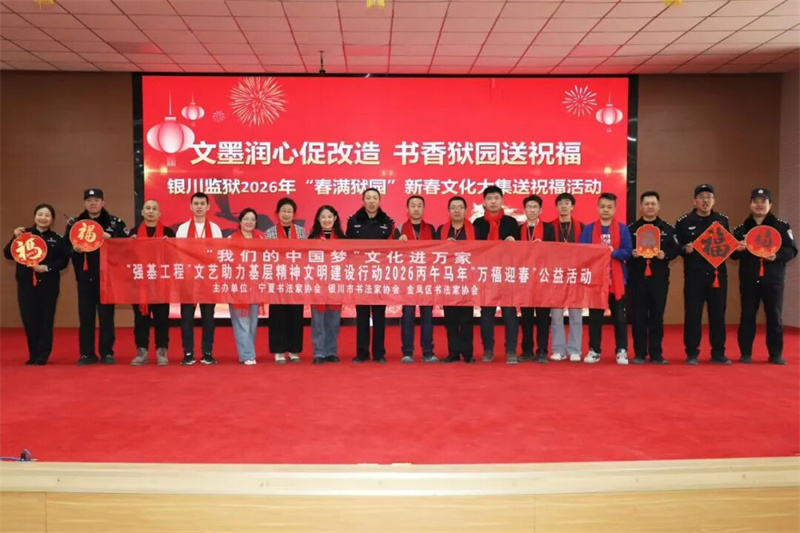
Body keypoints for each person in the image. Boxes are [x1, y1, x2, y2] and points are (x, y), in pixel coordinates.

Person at [732, 188, 797, 365]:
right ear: (750, 204)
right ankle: (745, 353)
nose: (759, 205)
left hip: (773, 279)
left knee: (774, 316)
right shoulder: (741, 229)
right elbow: (732, 255)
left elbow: (792, 250)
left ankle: (775, 354)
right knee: (747, 316)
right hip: (749, 280)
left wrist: (777, 256)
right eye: (756, 201)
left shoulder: (781, 227)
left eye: (763, 201)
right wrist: (738, 249)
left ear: (770, 205)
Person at [66, 189, 128, 365]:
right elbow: (64, 248)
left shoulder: (114, 223)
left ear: (103, 203)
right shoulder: (75, 224)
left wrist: (112, 238)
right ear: (84, 203)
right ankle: (87, 354)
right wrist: (74, 250)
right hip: (85, 278)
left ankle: (107, 352)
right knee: (86, 317)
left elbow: (127, 247)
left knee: (107, 317)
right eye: (89, 200)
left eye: (96, 200)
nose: (93, 203)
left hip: (107, 279)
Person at [4, 204, 70, 365]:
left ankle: (43, 354)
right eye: (40, 214)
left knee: (46, 318)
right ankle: (33, 353)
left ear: (52, 220)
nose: (43, 218)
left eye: (47, 215)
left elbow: (63, 261)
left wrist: (47, 267)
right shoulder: (23, 234)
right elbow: (8, 254)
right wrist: (15, 237)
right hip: (26, 284)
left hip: (49, 284)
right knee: (29, 318)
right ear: (34, 216)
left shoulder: (57, 238)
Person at [675, 184, 732, 365]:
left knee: (718, 314)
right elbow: (675, 247)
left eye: (709, 197)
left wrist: (736, 246)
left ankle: (718, 352)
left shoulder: (722, 221)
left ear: (714, 201)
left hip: (717, 276)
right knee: (693, 315)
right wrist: (685, 249)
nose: (705, 201)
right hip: (694, 277)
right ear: (695, 201)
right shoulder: (684, 222)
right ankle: (692, 353)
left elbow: (728, 244)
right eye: (701, 197)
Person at [580, 193, 633, 365]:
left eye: (609, 207)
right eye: (602, 206)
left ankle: (621, 350)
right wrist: (597, 253)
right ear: (597, 208)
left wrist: (613, 252)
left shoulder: (623, 229)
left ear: (615, 209)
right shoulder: (589, 229)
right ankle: (594, 350)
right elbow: (582, 251)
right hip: (596, 281)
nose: (605, 210)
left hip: (617, 281)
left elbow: (628, 252)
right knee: (595, 318)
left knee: (620, 318)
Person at [627, 191, 679, 364]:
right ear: (640, 207)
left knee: (657, 316)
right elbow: (624, 249)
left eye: (653, 204)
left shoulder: (667, 229)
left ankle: (656, 353)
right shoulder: (631, 229)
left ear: (659, 206)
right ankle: (640, 353)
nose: (650, 207)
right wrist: (631, 253)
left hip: (659, 279)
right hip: (637, 279)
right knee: (638, 317)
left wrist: (666, 255)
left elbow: (676, 249)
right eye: (646, 204)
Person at [346, 188, 395, 363]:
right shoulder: (353, 221)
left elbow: (393, 247)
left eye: (375, 198)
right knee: (362, 316)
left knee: (379, 316)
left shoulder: (387, 222)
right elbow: (347, 248)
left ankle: (379, 353)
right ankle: (362, 352)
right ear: (363, 201)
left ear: (379, 201)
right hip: (360, 276)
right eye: (368, 198)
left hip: (380, 276)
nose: (372, 201)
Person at [473, 185, 520, 364]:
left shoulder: (511, 222)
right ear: (484, 202)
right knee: (487, 313)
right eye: (489, 198)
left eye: (496, 198)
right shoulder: (478, 223)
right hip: (486, 274)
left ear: (502, 201)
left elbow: (521, 250)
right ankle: (488, 349)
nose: (493, 201)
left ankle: (511, 350)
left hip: (507, 273)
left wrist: (514, 241)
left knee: (510, 313)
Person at [176, 192, 223, 365]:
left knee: (208, 317)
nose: (199, 207)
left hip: (208, 279)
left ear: (208, 207)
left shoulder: (215, 229)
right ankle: (188, 353)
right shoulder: (182, 229)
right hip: (188, 279)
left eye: (202, 204)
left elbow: (218, 253)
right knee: (186, 317)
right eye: (196, 203)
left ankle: (207, 352)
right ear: (191, 206)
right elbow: (178, 252)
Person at [129, 200, 175, 366]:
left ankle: (162, 351)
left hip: (161, 283)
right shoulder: (134, 233)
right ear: (142, 212)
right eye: (147, 208)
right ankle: (142, 351)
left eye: (154, 209)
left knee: (162, 318)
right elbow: (126, 256)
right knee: (141, 319)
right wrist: (130, 244)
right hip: (140, 283)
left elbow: (175, 257)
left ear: (159, 213)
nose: (150, 211)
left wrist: (169, 245)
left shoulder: (168, 233)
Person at [394, 195, 437, 364]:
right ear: (407, 209)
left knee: (427, 316)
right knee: (408, 315)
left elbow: (438, 252)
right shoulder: (399, 229)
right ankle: (407, 352)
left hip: (427, 279)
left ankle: (428, 352)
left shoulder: (431, 229)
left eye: (419, 205)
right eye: (413, 205)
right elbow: (391, 253)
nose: (416, 208)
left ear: (424, 209)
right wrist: (398, 242)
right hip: (408, 280)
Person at [265, 197, 307, 363]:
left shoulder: (301, 232)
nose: (286, 214)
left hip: (296, 280)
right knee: (278, 316)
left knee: (296, 315)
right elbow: (266, 255)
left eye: (289, 211)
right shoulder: (270, 232)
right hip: (277, 281)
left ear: (294, 214)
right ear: (277, 213)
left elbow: (305, 255)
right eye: (283, 211)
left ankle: (294, 350)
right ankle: (279, 350)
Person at [437, 196, 476, 364]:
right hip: (448, 280)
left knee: (467, 319)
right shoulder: (441, 230)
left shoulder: (474, 229)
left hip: (468, 279)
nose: (457, 210)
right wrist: (444, 245)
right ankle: (453, 352)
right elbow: (434, 253)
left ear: (465, 210)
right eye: (453, 207)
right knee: (450, 319)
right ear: (449, 211)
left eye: (460, 207)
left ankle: (467, 353)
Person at [518, 194, 555, 363]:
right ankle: (527, 350)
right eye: (529, 207)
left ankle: (542, 351)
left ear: (540, 210)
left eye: (535, 207)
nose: (531, 210)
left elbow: (555, 251)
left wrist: (544, 248)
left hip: (542, 277)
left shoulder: (548, 228)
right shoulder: (519, 229)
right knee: (526, 317)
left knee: (542, 317)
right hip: (525, 277)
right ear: (524, 210)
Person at [549, 193, 585, 363]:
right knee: (556, 315)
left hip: (575, 275)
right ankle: (558, 349)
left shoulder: (582, 227)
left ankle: (575, 349)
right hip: (556, 276)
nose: (564, 206)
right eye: (560, 203)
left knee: (576, 314)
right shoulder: (549, 227)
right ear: (556, 207)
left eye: (567, 203)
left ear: (572, 207)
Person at [308, 205, 346, 365]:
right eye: (323, 217)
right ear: (318, 219)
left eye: (329, 216)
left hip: (336, 285)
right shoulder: (312, 239)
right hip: (317, 286)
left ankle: (331, 351)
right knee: (318, 321)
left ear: (335, 218)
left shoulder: (343, 239)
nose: (326, 220)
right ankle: (319, 352)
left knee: (333, 321)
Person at [229, 208, 264, 365]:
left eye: (252, 219)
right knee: (242, 321)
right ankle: (247, 355)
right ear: (240, 221)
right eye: (246, 219)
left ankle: (247, 351)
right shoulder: (231, 239)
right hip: (238, 286)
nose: (249, 222)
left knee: (252, 323)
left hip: (255, 286)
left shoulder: (261, 238)